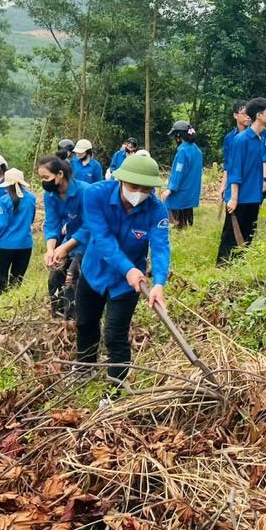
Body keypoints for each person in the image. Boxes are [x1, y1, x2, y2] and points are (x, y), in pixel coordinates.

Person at [72, 151, 171, 384]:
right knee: (85, 323)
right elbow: (102, 238)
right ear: (120, 180)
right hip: (94, 272)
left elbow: (160, 247)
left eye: (146, 189)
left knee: (115, 334)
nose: (139, 193)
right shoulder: (95, 195)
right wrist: (128, 268)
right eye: (134, 186)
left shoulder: (157, 210)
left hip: (128, 284)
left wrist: (159, 283)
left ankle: (115, 389)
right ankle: (84, 370)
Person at [219, 98, 266, 261]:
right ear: (259, 115)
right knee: (231, 235)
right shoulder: (241, 140)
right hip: (240, 197)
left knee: (248, 234)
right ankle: (222, 266)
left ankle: (239, 264)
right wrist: (234, 197)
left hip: (254, 195)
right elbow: (235, 170)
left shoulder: (261, 138)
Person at [37, 155, 86, 322]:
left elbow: (88, 227)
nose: (43, 182)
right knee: (55, 278)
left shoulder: (84, 192)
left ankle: (74, 322)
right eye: (41, 178)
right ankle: (58, 319)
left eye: (46, 177)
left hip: (89, 244)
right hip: (70, 240)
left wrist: (64, 248)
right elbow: (52, 223)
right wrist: (51, 249)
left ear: (59, 175)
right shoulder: (50, 195)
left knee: (72, 279)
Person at [0, 168, 36, 296]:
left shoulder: (4, 200)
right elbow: (31, 219)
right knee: (17, 279)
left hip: (6, 244)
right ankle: (14, 300)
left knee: (0, 277)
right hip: (25, 244)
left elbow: (1, 225)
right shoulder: (31, 198)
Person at [159, 121, 203, 228]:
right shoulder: (197, 150)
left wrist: (170, 189)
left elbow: (178, 171)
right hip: (192, 189)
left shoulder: (182, 151)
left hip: (182, 188)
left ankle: (177, 226)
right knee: (187, 210)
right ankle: (186, 227)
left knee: (169, 204)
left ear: (178, 136)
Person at [220, 102, 250, 203]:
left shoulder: (257, 135)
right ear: (235, 115)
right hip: (233, 180)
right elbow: (227, 164)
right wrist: (223, 185)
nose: (247, 117)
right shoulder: (229, 138)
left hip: (250, 180)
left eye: (249, 113)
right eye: (243, 113)